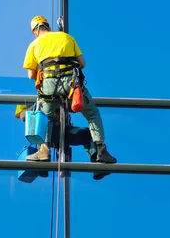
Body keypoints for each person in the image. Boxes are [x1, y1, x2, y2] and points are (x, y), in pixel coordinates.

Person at [22, 15, 117, 166]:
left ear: (34, 31)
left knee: (44, 118)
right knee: (92, 114)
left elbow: (31, 75)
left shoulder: (34, 44)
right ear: (48, 26)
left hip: (49, 86)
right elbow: (82, 64)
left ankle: (44, 151)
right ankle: (101, 150)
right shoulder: (67, 37)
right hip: (71, 85)